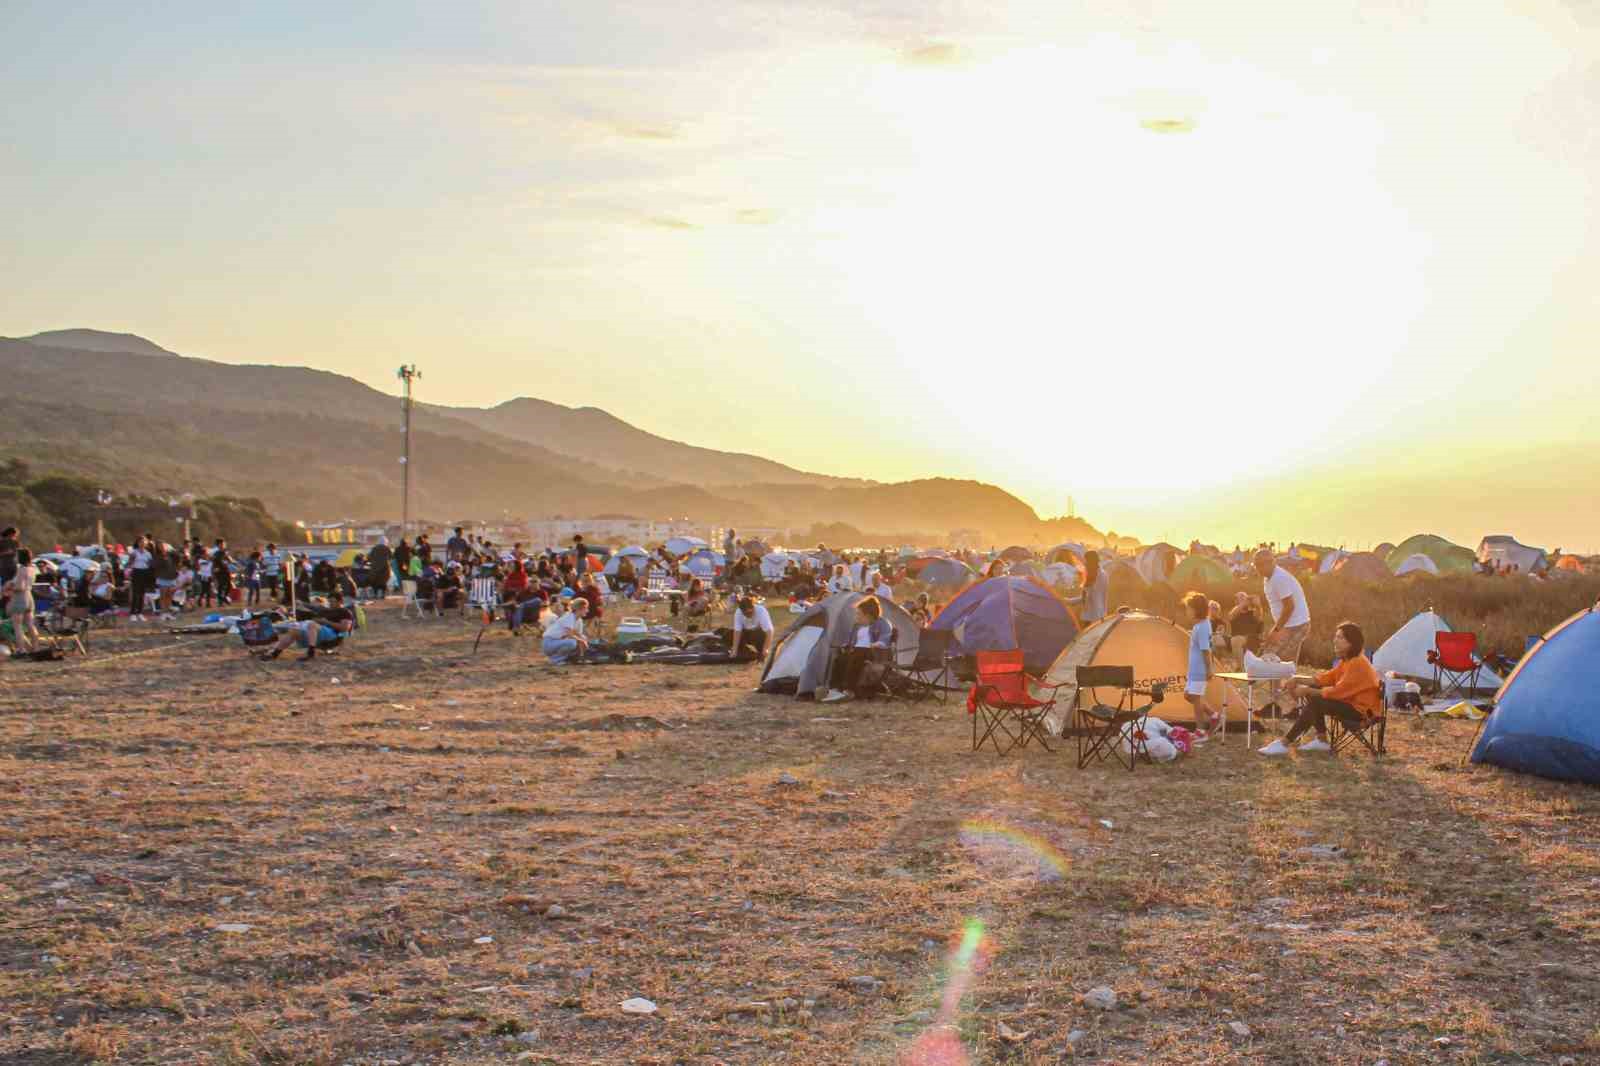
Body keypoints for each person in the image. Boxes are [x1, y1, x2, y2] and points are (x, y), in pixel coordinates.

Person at [1259, 622, 1381, 756]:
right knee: (1314, 692)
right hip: (1351, 704)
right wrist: (1297, 679)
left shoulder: (1357, 663)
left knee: (1316, 700)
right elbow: (1324, 679)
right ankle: (1321, 740)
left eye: (1340, 638)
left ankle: (1284, 743)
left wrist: (1306, 691)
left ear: (1351, 643)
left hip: (1362, 712)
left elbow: (1337, 692)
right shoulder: (1348, 660)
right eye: (1336, 637)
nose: (1335, 641)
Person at [1254, 548, 1310, 713]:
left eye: (1259, 565)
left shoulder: (1279, 578)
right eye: (1255, 565)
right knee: (1281, 664)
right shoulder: (1268, 578)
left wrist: (1277, 629)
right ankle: (1280, 705)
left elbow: (1289, 606)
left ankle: (1297, 707)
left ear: (1270, 562)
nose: (1257, 568)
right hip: (1290, 624)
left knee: (1275, 660)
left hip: (1296, 625)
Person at [819, 596, 894, 703]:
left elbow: (885, 639)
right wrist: (845, 646)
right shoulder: (857, 626)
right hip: (858, 651)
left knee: (858, 655)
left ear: (868, 615)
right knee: (840, 658)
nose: (856, 616)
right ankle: (835, 688)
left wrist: (876, 644)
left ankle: (849, 690)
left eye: (859, 614)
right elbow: (852, 642)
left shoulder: (883, 623)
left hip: (876, 654)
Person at [257, 590, 356, 661]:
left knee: (312, 624)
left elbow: (345, 627)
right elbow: (313, 607)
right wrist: (300, 604)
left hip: (332, 636)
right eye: (329, 601)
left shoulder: (345, 612)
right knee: (294, 630)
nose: (330, 604)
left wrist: (325, 622)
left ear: (340, 601)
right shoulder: (327, 610)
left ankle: (311, 653)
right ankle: (275, 654)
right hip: (317, 632)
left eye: (333, 602)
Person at [1182, 591, 1222, 737]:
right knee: (1188, 696)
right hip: (1194, 669)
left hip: (1200, 669)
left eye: (1188, 608)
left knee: (1196, 698)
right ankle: (1214, 716)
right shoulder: (1199, 625)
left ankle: (1199, 730)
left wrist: (1209, 669)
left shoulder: (1203, 626)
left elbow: (1206, 650)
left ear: (1196, 609)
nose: (1187, 611)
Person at [5, 547, 41, 654]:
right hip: (29, 597)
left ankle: (21, 649)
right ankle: (36, 648)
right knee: (30, 624)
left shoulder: (21, 569)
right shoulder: (32, 568)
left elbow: (20, 586)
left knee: (17, 626)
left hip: (20, 597)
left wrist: (9, 588)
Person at [542, 596, 590, 663]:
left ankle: (573, 658)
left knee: (582, 638)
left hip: (557, 642)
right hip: (549, 643)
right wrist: (581, 641)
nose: (587, 611)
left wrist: (583, 640)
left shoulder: (579, 620)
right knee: (572, 643)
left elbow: (579, 635)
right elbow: (569, 634)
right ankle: (555, 660)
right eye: (586, 608)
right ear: (579, 609)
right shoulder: (569, 617)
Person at [732, 595, 774, 660]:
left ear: (753, 607)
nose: (748, 615)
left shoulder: (761, 610)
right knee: (729, 635)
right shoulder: (738, 612)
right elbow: (737, 631)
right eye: (745, 614)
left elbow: (769, 631)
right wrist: (734, 650)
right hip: (746, 632)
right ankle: (742, 651)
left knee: (757, 635)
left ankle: (761, 652)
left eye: (750, 613)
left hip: (758, 634)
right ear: (742, 611)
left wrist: (766, 649)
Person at [1073, 551, 1109, 625]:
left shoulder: (1094, 577)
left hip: (1092, 617)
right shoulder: (1103, 573)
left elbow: (1088, 596)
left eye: (1086, 561)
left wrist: (1068, 601)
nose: (1085, 563)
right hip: (1100, 614)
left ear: (1090, 562)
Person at [1227, 592, 1263, 661]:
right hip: (1238, 639)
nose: (1244, 600)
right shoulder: (1234, 612)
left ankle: (1242, 667)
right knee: (1236, 640)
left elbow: (1259, 617)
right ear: (1236, 601)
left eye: (1245, 598)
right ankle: (1241, 668)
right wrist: (1243, 603)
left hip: (1253, 639)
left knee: (1236, 640)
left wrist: (1258, 605)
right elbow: (1231, 616)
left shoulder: (1253, 612)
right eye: (1240, 598)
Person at [126, 535, 155, 621]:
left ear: (146, 543)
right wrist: (131, 561)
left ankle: (140, 613)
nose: (142, 544)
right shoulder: (134, 552)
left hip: (144, 572)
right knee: (136, 593)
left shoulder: (148, 553)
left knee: (142, 593)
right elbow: (129, 564)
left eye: (144, 542)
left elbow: (150, 564)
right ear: (138, 543)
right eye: (140, 542)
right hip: (136, 572)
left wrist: (151, 565)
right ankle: (133, 613)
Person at [212, 539, 234, 605]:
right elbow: (214, 562)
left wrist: (232, 561)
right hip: (219, 572)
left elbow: (230, 560)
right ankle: (220, 601)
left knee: (229, 585)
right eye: (221, 544)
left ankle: (224, 597)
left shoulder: (225, 552)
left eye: (224, 544)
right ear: (218, 545)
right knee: (221, 586)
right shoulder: (216, 554)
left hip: (226, 570)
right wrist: (215, 569)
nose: (223, 545)